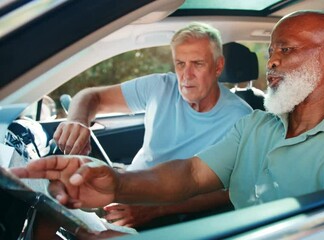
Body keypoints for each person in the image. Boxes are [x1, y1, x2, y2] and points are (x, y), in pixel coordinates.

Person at [11, 10, 324, 234]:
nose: (272, 62)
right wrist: (118, 183)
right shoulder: (258, 126)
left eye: (286, 50)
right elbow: (192, 175)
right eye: (271, 50)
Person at [51, 22, 252, 228]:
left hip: (173, 213)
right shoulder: (160, 87)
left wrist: (156, 209)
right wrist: (77, 120)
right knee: (52, 205)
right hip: (127, 187)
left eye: (197, 63)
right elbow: (91, 96)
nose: (186, 75)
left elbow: (232, 191)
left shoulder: (241, 118)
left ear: (218, 66)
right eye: (180, 64)